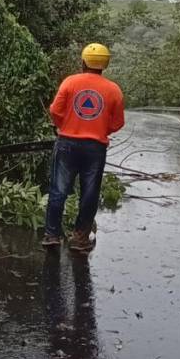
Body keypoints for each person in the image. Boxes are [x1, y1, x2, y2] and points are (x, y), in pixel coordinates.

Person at [42, 43, 125, 251]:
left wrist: (65, 125)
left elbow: (55, 110)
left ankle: (51, 235)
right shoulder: (113, 90)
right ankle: (80, 238)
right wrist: (100, 129)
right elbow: (118, 123)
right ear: (105, 64)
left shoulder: (70, 83)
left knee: (58, 190)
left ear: (83, 60)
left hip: (67, 143)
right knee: (89, 192)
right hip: (95, 148)